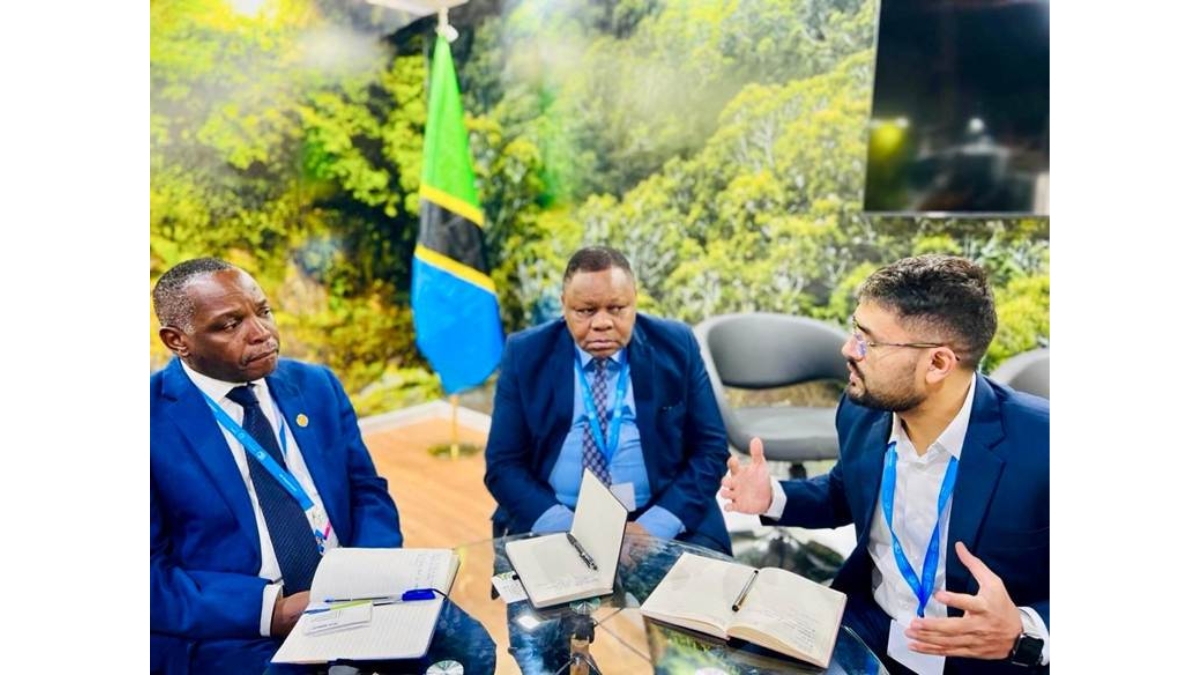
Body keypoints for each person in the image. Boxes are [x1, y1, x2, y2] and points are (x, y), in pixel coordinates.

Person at [721, 255, 1049, 675]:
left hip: (982, 657)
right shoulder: (862, 409)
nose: (848, 349)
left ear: (938, 364)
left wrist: (1024, 631)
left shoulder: (1044, 445)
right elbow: (846, 490)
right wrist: (773, 497)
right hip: (870, 623)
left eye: (869, 341)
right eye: (854, 329)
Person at [150, 258, 404, 674]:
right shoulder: (149, 421)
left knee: (470, 652)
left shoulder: (317, 385)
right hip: (237, 630)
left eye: (263, 311)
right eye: (230, 324)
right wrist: (272, 611)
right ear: (177, 340)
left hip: (357, 595)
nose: (262, 332)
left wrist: (367, 572)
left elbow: (367, 491)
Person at [485, 246, 732, 554]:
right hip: (557, 517)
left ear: (634, 301)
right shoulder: (525, 353)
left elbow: (710, 449)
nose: (602, 322)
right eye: (586, 311)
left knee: (706, 585)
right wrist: (569, 530)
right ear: (564, 306)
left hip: (662, 512)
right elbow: (503, 465)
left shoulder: (676, 345)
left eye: (616, 308)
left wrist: (655, 526)